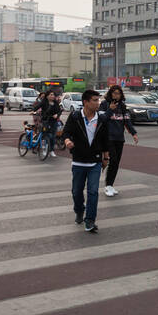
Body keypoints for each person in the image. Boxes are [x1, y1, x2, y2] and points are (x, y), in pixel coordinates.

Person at [61, 89, 109, 233]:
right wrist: (68, 140)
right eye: (95, 100)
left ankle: (90, 221)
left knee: (93, 192)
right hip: (78, 162)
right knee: (76, 192)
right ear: (86, 102)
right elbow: (66, 132)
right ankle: (79, 210)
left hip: (95, 162)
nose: (98, 103)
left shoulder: (102, 119)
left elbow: (105, 140)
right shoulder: (75, 117)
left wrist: (106, 157)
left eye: (98, 100)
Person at [100, 85, 139, 195]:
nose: (116, 95)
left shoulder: (122, 106)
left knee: (116, 163)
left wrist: (134, 133)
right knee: (114, 160)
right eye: (114, 93)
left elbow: (127, 121)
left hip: (119, 138)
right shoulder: (104, 104)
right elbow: (101, 119)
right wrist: (110, 110)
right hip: (108, 137)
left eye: (118, 93)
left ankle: (111, 185)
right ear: (110, 94)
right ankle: (108, 186)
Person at [33, 90, 64, 157]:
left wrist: (57, 115)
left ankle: (51, 151)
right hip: (45, 121)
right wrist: (33, 111)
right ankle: (44, 149)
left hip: (53, 121)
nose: (52, 96)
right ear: (47, 96)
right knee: (46, 135)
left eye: (53, 95)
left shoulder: (55, 103)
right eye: (51, 95)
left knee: (53, 136)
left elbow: (59, 111)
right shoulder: (44, 102)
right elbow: (36, 107)